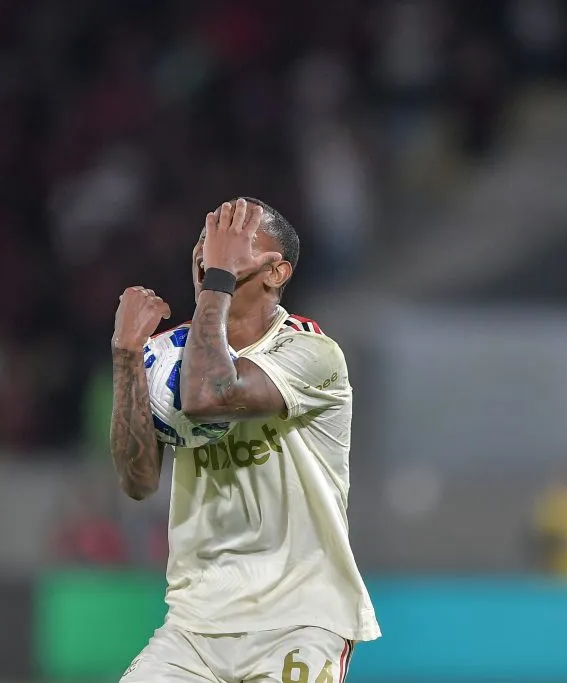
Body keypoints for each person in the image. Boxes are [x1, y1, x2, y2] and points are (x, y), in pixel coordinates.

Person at [109, 197, 380, 683]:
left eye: (235, 241)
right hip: (195, 624)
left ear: (278, 272)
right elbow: (138, 480)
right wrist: (128, 359)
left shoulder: (310, 352)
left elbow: (210, 394)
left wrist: (218, 281)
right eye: (208, 237)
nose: (209, 251)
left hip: (300, 618)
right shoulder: (168, 357)